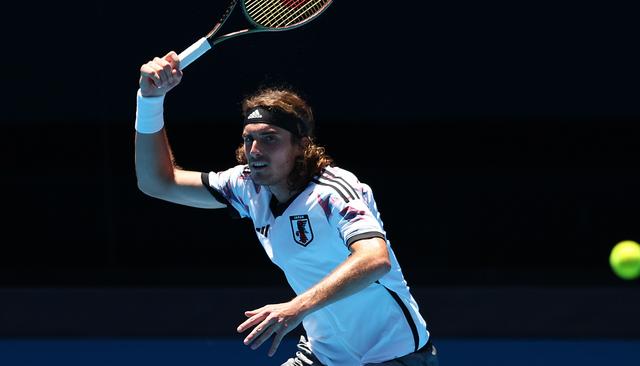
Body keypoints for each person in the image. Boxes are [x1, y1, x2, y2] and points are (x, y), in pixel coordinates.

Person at [134, 51, 438, 366]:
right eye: (248, 139)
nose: (254, 151)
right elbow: (157, 182)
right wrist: (149, 100)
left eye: (270, 139)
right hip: (323, 357)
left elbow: (375, 259)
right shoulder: (247, 186)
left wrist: (295, 308)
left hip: (396, 357)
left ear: (300, 145)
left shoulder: (333, 191)